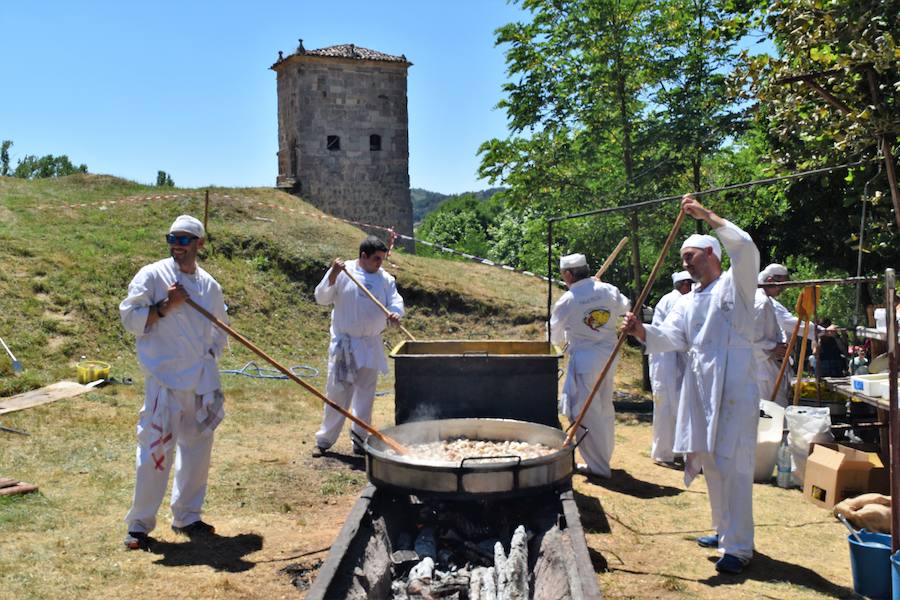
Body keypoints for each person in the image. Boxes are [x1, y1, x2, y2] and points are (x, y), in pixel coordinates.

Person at [622, 194, 759, 574]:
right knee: (712, 463)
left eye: (690, 257)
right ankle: (722, 530)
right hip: (701, 388)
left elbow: (745, 248)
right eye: (683, 258)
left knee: (733, 466)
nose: (685, 264)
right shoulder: (689, 300)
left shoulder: (737, 285)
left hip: (732, 388)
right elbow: (673, 338)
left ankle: (740, 547)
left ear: (712, 255)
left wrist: (706, 215)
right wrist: (641, 331)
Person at [119, 215, 228, 550]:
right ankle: (139, 525)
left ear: (199, 243)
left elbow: (219, 328)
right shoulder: (153, 275)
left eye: (184, 240)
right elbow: (130, 318)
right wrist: (167, 306)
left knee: (197, 452)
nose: (176, 245)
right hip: (164, 380)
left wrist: (210, 355)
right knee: (155, 451)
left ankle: (187, 515)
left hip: (199, 381)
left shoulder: (209, 285)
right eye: (172, 238)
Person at [314, 235, 404, 455]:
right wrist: (333, 274)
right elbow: (321, 298)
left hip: (370, 345)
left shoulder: (385, 279)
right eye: (376, 259)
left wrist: (395, 314)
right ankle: (325, 441)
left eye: (382, 259)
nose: (379, 263)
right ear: (363, 256)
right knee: (338, 393)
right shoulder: (345, 272)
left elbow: (395, 301)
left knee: (365, 395)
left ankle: (360, 440)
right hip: (346, 345)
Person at [550, 252, 630, 479]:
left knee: (587, 413)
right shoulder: (609, 290)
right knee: (604, 408)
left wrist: (567, 337)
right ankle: (602, 458)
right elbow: (626, 308)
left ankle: (598, 467)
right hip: (609, 355)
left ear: (568, 274)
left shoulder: (569, 299)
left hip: (585, 360)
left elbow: (553, 334)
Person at [649, 270, 694, 466]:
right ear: (684, 284)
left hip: (675, 358)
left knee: (677, 406)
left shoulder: (677, 299)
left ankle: (675, 450)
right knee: (665, 407)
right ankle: (663, 453)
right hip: (666, 360)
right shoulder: (676, 300)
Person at [754, 265, 790, 406]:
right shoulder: (760, 302)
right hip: (761, 367)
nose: (782, 291)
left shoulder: (765, 300)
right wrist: (774, 347)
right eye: (781, 286)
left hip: (765, 365)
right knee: (772, 409)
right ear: (770, 280)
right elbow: (749, 336)